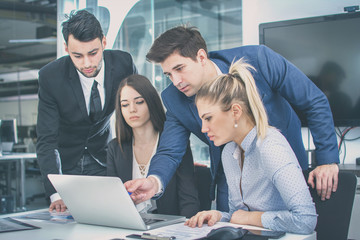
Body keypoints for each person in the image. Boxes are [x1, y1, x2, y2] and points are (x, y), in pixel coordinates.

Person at [125, 26, 339, 211]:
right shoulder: (175, 98)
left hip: (282, 165)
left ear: (201, 57)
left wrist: (327, 160)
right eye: (169, 75)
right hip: (231, 178)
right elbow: (170, 151)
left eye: (179, 69)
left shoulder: (259, 61)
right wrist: (154, 181)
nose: (176, 81)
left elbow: (314, 101)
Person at [185, 58, 317, 234]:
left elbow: (306, 220)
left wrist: (249, 218)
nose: (203, 128)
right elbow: (236, 215)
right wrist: (218, 215)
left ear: (235, 111)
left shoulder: (270, 147)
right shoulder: (229, 153)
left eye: (208, 118)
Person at [36, 9, 137, 212]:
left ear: (104, 43)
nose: (87, 63)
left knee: (111, 215)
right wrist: (56, 193)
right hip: (65, 166)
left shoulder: (123, 64)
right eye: (77, 56)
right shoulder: (50, 77)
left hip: (104, 157)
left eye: (93, 53)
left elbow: (142, 116)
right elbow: (47, 139)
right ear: (66, 48)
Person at [107, 74, 199, 218]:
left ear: (151, 102)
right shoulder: (115, 148)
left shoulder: (174, 143)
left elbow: (189, 200)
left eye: (139, 102)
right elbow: (113, 200)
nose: (132, 109)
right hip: (129, 225)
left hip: (168, 228)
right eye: (124, 104)